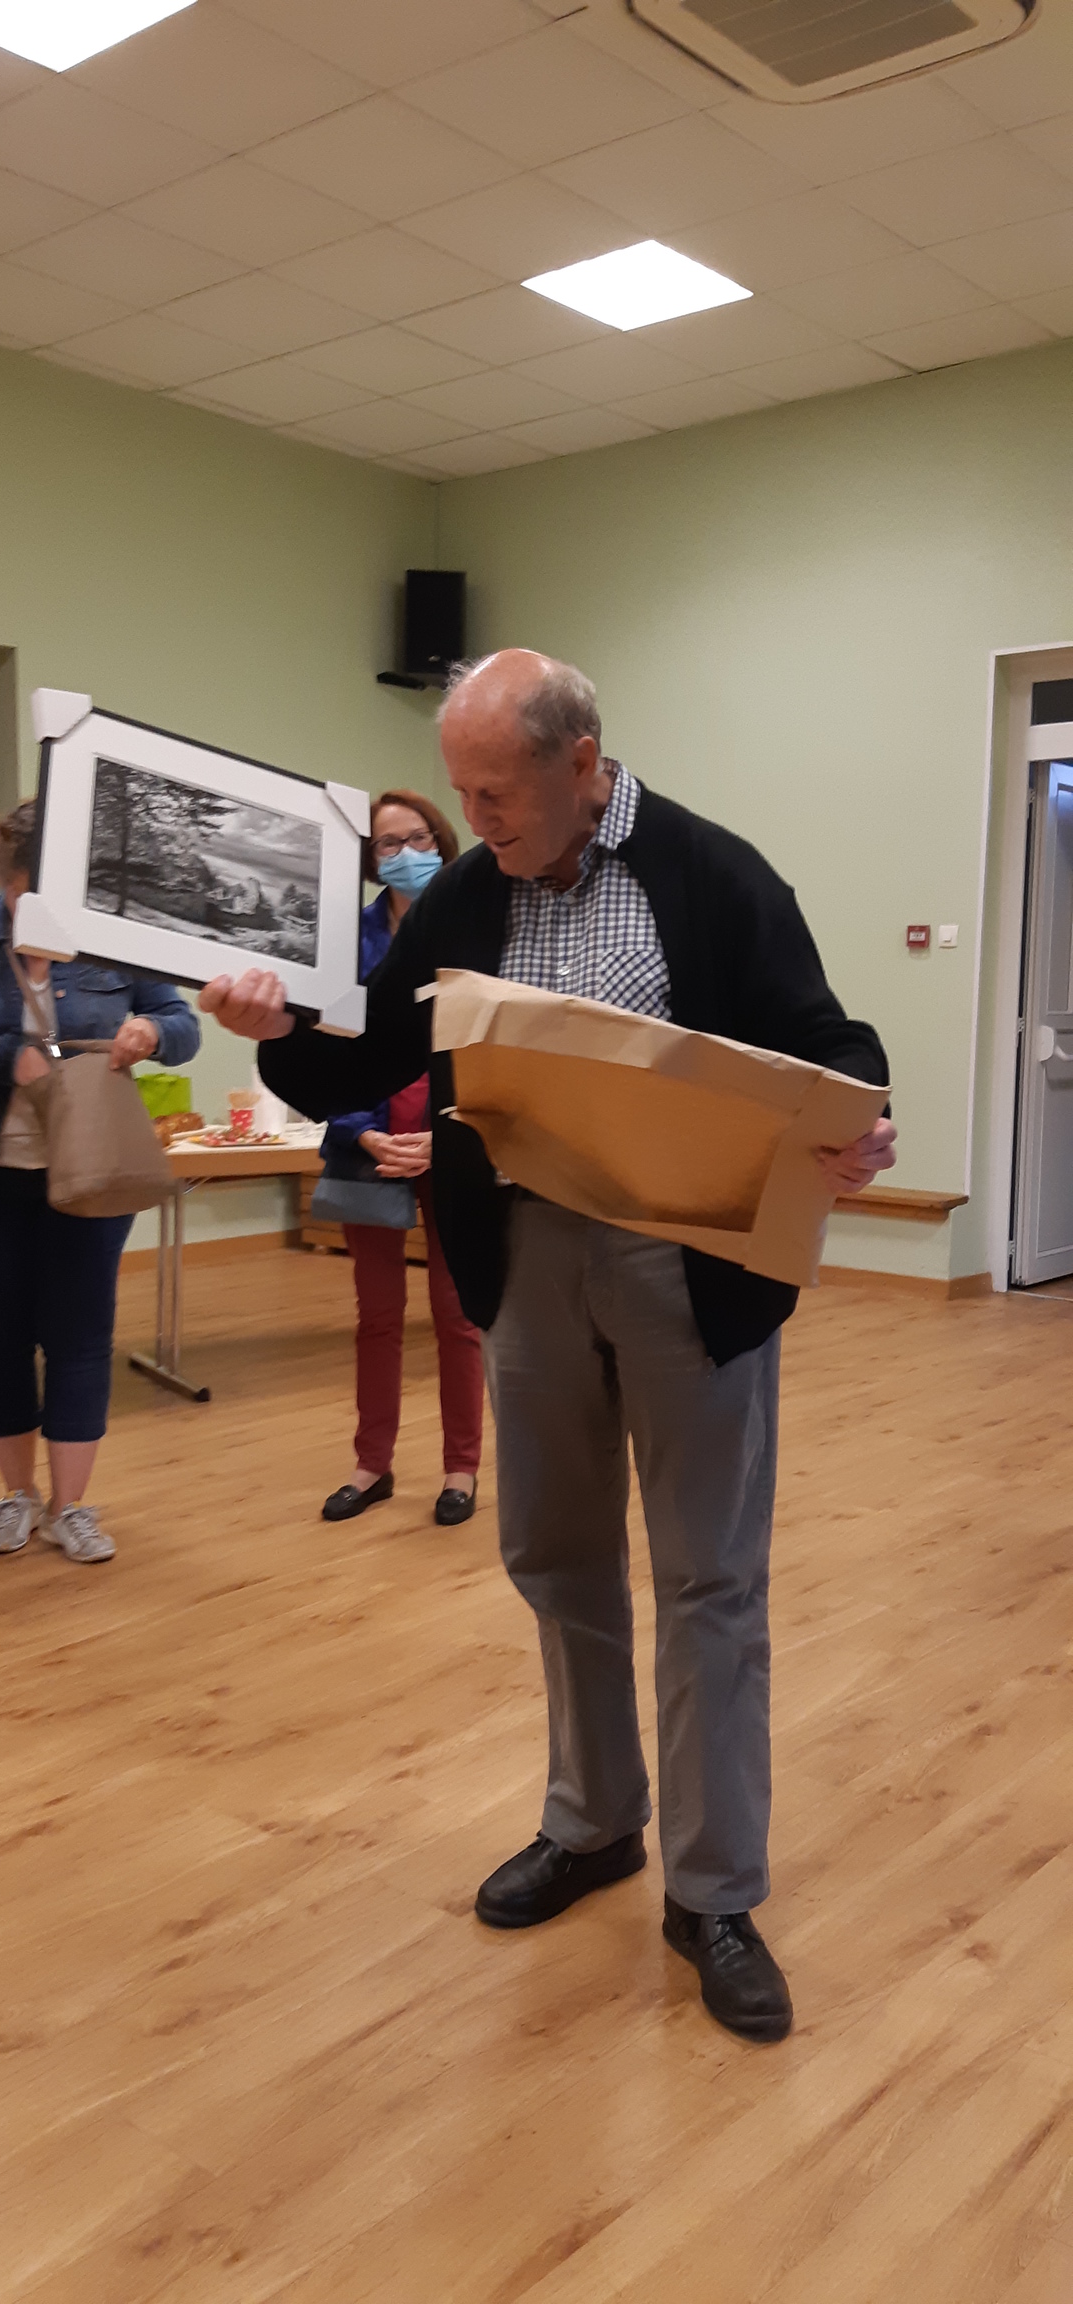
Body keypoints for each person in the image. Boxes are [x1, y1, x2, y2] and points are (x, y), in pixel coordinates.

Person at [200, 650, 895, 2044]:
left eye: (495, 792)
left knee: (708, 1580)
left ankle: (714, 1893)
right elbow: (364, 1054)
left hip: (688, 1266)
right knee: (557, 1559)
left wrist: (864, 1125)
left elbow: (827, 1046)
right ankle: (593, 1825)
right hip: (525, 1260)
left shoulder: (715, 876)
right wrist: (274, 1032)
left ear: (582, 764)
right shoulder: (471, 894)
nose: (475, 820)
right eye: (461, 794)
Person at [0, 802, 200, 1564]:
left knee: (81, 1334)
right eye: (30, 897)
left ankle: (70, 1507)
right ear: (8, 880)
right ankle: (17, 1496)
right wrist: (5, 1057)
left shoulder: (116, 934)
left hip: (93, 1166)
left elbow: (183, 1025)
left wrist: (151, 1032)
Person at [320, 789, 484, 1529]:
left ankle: (461, 1469)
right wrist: (359, 1130)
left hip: (452, 1144)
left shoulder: (470, 927)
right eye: (388, 844)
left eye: (418, 838)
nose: (405, 854)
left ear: (441, 844)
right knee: (377, 1318)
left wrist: (450, 1137)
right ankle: (371, 1464)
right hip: (370, 1148)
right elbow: (325, 1048)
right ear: (370, 857)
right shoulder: (344, 940)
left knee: (458, 1317)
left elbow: (491, 1046)